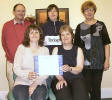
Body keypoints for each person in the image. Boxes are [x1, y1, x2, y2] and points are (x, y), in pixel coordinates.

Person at [74, 1, 111, 100]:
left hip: (99, 62)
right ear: (83, 12)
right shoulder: (80, 27)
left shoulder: (100, 25)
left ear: (94, 11)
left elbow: (106, 44)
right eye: (86, 10)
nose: (89, 12)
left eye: (91, 10)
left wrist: (107, 60)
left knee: (96, 88)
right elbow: (77, 47)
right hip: (85, 63)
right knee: (86, 87)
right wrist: (78, 63)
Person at [51, 25, 89, 100]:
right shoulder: (56, 49)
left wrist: (70, 68)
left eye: (67, 34)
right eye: (63, 35)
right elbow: (54, 68)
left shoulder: (78, 49)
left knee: (81, 96)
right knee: (64, 96)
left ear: (72, 35)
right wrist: (61, 79)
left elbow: (79, 68)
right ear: (60, 37)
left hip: (76, 78)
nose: (65, 37)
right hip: (59, 78)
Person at [12, 24, 49, 100]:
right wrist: (27, 74)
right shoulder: (21, 48)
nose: (34, 34)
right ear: (28, 35)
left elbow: (46, 71)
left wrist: (35, 83)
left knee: (39, 97)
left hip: (39, 82)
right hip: (22, 82)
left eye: (36, 32)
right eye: (31, 32)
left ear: (40, 35)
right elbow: (16, 68)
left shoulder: (45, 50)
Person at [1, 3, 31, 96]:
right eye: (18, 11)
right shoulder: (6, 25)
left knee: (25, 87)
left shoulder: (29, 25)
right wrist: (10, 55)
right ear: (14, 12)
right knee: (12, 86)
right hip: (11, 62)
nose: (21, 13)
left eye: (23, 11)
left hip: (26, 63)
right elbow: (4, 42)